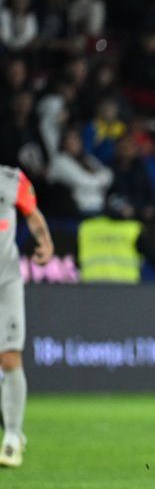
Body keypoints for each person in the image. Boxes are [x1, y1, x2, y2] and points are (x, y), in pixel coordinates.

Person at [0, 166, 54, 467]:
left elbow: (32, 213)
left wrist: (44, 241)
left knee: (9, 358)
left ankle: (11, 438)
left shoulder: (11, 179)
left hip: (5, 282)